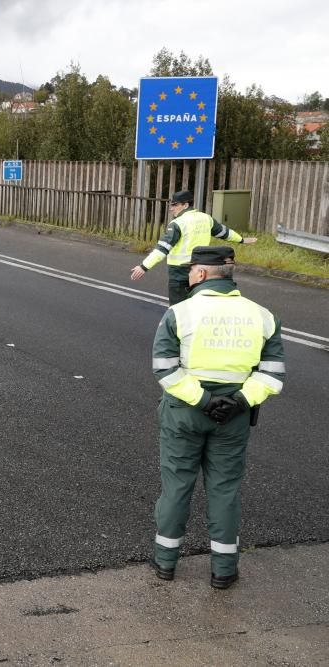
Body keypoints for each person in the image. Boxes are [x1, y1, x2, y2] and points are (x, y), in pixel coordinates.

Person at [148, 245, 285, 590]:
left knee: (177, 485)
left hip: (185, 411)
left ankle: (165, 562)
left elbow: (164, 370)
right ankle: (223, 570)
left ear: (203, 273)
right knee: (225, 489)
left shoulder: (180, 313)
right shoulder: (262, 315)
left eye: (192, 270)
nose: (189, 275)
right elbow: (272, 375)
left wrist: (204, 400)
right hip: (235, 416)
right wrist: (238, 401)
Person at [130, 190, 257, 304]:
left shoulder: (177, 223)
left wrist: (144, 266)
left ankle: (178, 329)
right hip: (201, 269)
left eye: (175, 205)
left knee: (178, 308)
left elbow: (162, 249)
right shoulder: (206, 218)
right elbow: (224, 233)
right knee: (198, 303)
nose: (171, 208)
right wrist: (242, 240)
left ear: (185, 205)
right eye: (171, 205)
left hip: (179, 272)